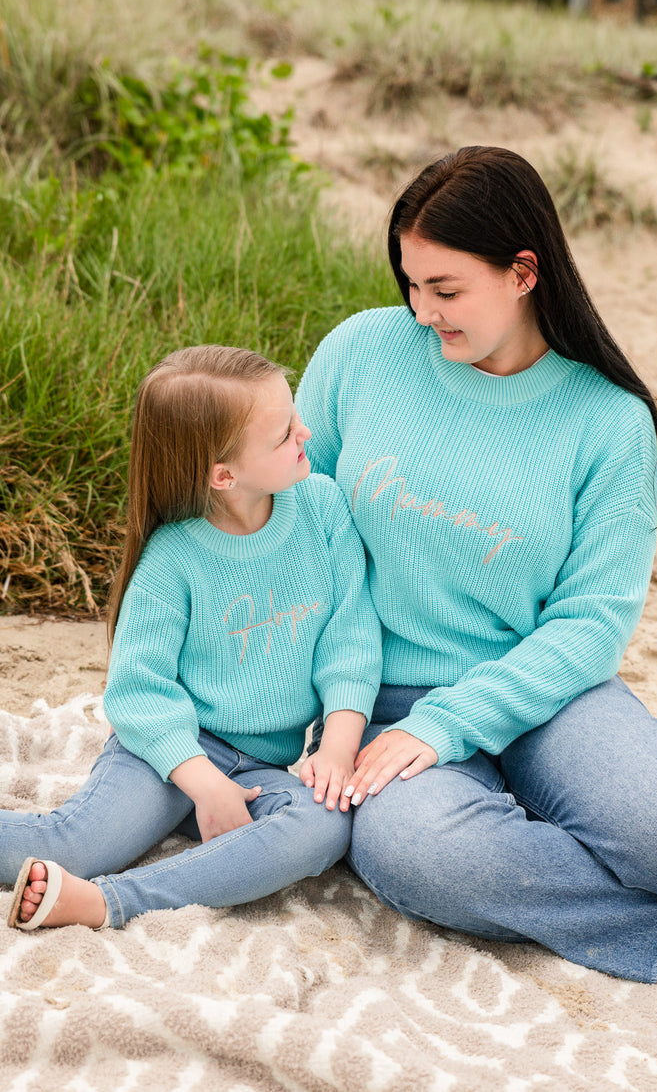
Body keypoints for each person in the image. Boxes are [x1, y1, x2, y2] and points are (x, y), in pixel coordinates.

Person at [295, 145, 657, 983]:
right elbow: (295, 527)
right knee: (419, 853)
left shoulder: (607, 422)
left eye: (446, 289)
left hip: (541, 692)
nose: (422, 311)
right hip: (374, 698)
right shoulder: (361, 353)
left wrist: (451, 722)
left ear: (524, 273)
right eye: (410, 284)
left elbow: (591, 625)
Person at [4, 345, 381, 931]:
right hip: (170, 756)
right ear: (223, 475)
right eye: (285, 432)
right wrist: (204, 784)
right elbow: (138, 693)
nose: (305, 432)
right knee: (74, 846)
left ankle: (113, 901)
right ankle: (96, 877)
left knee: (323, 824)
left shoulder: (324, 509)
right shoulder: (172, 561)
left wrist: (337, 743)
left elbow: (349, 637)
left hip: (262, 767)